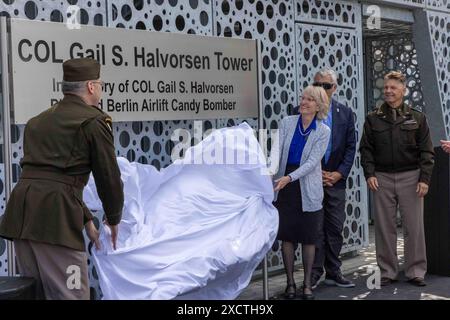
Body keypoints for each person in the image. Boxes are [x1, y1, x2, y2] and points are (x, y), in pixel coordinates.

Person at [0, 58, 124, 299]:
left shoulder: (38, 121)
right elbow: (107, 176)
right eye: (100, 84)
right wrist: (114, 217)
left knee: (37, 294)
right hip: (55, 223)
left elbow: (53, 176)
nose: (100, 88)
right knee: (72, 293)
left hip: (22, 217)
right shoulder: (94, 122)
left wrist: (86, 218)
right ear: (91, 87)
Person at [360, 71, 434, 287]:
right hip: (381, 178)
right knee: (384, 228)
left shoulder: (417, 117)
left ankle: (416, 271)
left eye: (393, 87)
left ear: (403, 90)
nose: (388, 91)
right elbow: (366, 150)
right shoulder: (373, 118)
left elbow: (426, 151)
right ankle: (387, 272)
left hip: (411, 178)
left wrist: (424, 179)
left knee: (414, 227)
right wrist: (370, 173)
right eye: (385, 87)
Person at [272, 85, 331, 300]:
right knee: (287, 237)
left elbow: (311, 163)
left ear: (319, 105)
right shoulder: (287, 122)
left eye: (309, 100)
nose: (304, 102)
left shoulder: (323, 131)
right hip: (284, 185)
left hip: (306, 186)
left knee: (308, 237)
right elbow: (276, 153)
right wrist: (272, 177)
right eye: (303, 97)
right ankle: (290, 284)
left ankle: (306, 285)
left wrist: (290, 178)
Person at [311, 69, 356, 289]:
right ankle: (313, 273)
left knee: (335, 227)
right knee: (315, 228)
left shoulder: (345, 113)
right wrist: (315, 172)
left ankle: (333, 271)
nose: (321, 89)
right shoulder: (303, 110)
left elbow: (350, 147)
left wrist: (338, 173)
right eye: (317, 85)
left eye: (326, 86)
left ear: (334, 88)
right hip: (311, 180)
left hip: (335, 180)